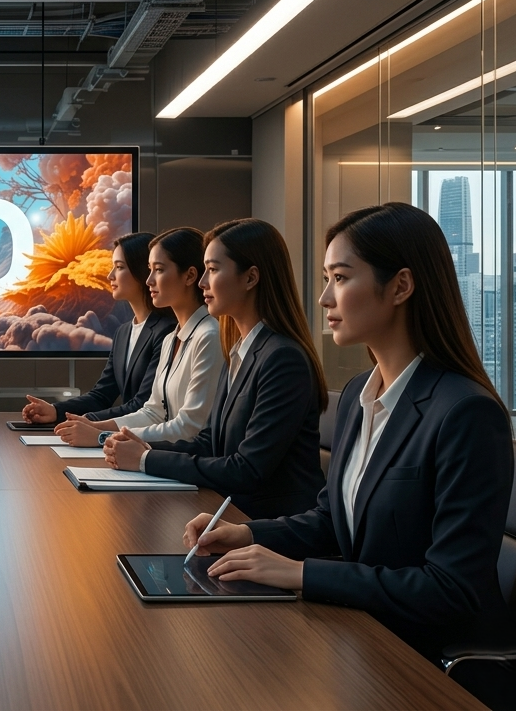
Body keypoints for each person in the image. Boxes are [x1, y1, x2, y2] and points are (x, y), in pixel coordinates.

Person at [183, 202, 514, 662]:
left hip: (422, 661)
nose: (324, 299)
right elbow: (332, 521)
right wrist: (247, 534)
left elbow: (450, 589)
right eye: (327, 279)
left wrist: (301, 573)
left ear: (400, 286)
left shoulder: (466, 413)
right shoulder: (360, 393)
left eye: (339, 278)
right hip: (358, 635)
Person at [104, 218, 326, 520]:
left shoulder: (282, 358)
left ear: (250, 278)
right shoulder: (238, 349)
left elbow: (247, 469)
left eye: (213, 269)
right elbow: (209, 442)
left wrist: (145, 459)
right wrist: (145, 449)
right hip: (231, 512)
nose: (202, 283)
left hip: (266, 525)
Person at [55, 227, 222, 446]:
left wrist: (101, 437)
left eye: (159, 270)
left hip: (182, 458)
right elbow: (153, 413)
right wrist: (95, 426)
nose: (149, 280)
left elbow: (190, 427)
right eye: (150, 270)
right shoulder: (171, 339)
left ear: (190, 276)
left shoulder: (209, 335)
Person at [21, 232, 174, 429]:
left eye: (119, 267)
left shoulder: (167, 330)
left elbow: (143, 405)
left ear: (142, 271)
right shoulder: (123, 332)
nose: (110, 275)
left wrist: (86, 422)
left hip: (148, 438)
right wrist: (55, 411)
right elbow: (101, 395)